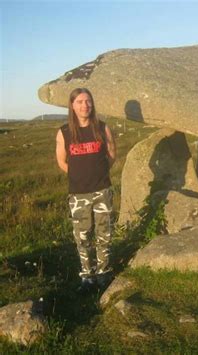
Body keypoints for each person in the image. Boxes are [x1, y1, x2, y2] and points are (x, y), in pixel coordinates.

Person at [56, 88, 116, 293]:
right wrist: (79, 177)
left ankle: (104, 274)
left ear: (92, 104)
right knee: (82, 236)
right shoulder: (64, 132)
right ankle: (87, 277)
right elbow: (62, 161)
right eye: (80, 101)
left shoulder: (102, 128)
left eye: (88, 101)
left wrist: (98, 175)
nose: (84, 105)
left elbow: (111, 155)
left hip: (102, 191)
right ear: (72, 105)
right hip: (78, 194)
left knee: (104, 234)